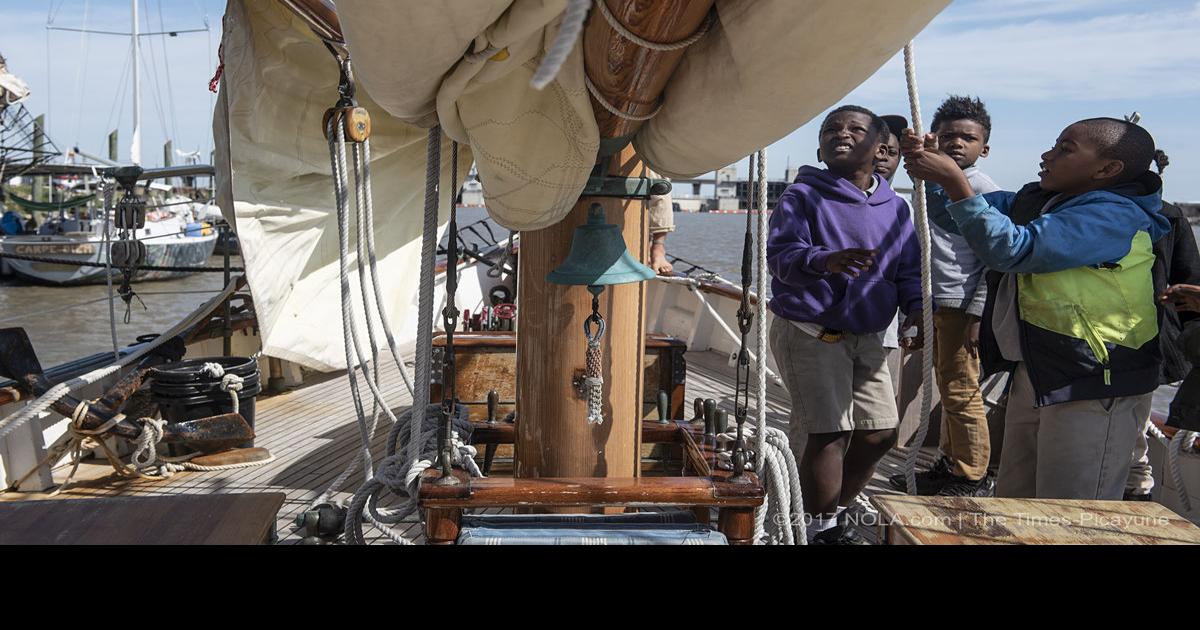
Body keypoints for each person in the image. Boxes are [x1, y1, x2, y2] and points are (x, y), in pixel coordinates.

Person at [903, 117, 1170, 500]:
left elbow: (1012, 250)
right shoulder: (1043, 201)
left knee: (1072, 511)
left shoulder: (1114, 216)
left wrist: (954, 180)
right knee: (1018, 498)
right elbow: (952, 216)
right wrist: (933, 172)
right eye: (1054, 144)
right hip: (1042, 371)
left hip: (1093, 380)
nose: (1047, 155)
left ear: (1108, 169)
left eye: (1065, 149)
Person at [768, 105, 924, 544]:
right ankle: (820, 529)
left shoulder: (895, 207)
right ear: (819, 146)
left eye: (856, 129)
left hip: (867, 335)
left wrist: (915, 307)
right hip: (811, 332)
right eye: (831, 129)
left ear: (879, 148)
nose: (842, 134)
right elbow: (780, 257)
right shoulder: (802, 197)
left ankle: (831, 509)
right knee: (830, 431)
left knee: (879, 433)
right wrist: (824, 261)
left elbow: (908, 267)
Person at [887, 96, 1000, 497]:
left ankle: (970, 474)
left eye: (968, 139)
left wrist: (976, 314)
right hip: (935, 300)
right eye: (949, 136)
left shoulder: (981, 188)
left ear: (983, 148)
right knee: (948, 387)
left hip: (959, 304)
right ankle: (951, 464)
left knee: (960, 390)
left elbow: (992, 259)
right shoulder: (929, 183)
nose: (957, 143)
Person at [1125, 152, 1200, 500]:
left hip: (1148, 339)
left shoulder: (1169, 216)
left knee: (1135, 427)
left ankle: (1136, 491)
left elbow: (1187, 276)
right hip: (1111, 341)